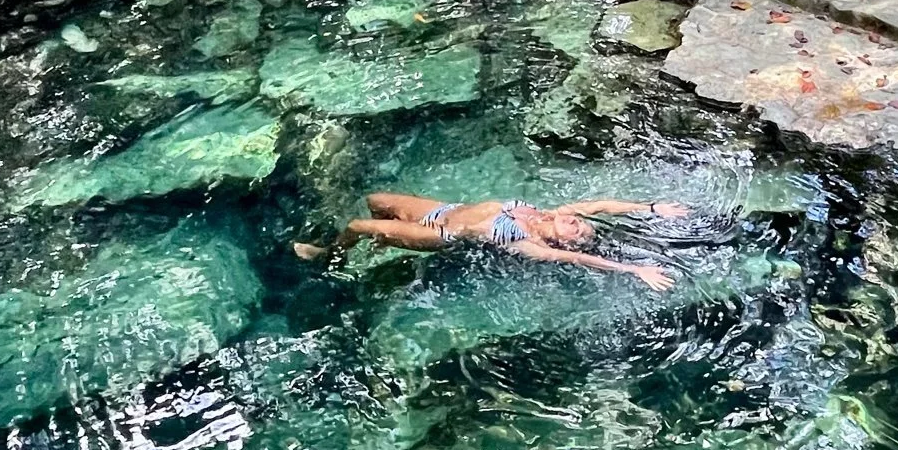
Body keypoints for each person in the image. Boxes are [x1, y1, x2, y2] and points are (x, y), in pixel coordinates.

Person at [294, 192, 689, 291]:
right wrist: (652, 207)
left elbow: (578, 261)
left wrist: (633, 268)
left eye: (577, 232)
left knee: (359, 225)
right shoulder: (548, 212)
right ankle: (389, 237)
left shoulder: (529, 244)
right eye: (580, 223)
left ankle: (329, 255)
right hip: (445, 208)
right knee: (376, 201)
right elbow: (601, 205)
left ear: (564, 242)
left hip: (442, 233)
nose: (576, 222)